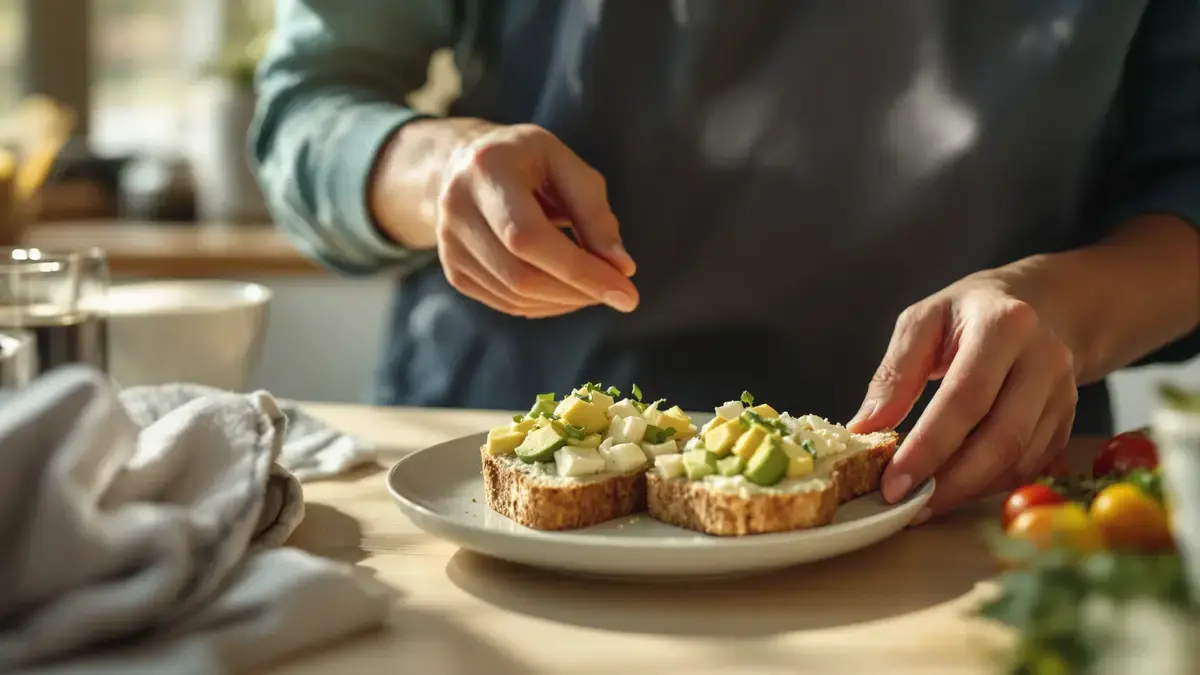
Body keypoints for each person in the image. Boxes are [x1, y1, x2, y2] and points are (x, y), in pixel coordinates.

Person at [251, 0, 1200, 522]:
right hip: (488, 477)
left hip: (963, 493)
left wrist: (1068, 310)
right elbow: (309, 108)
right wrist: (439, 167)